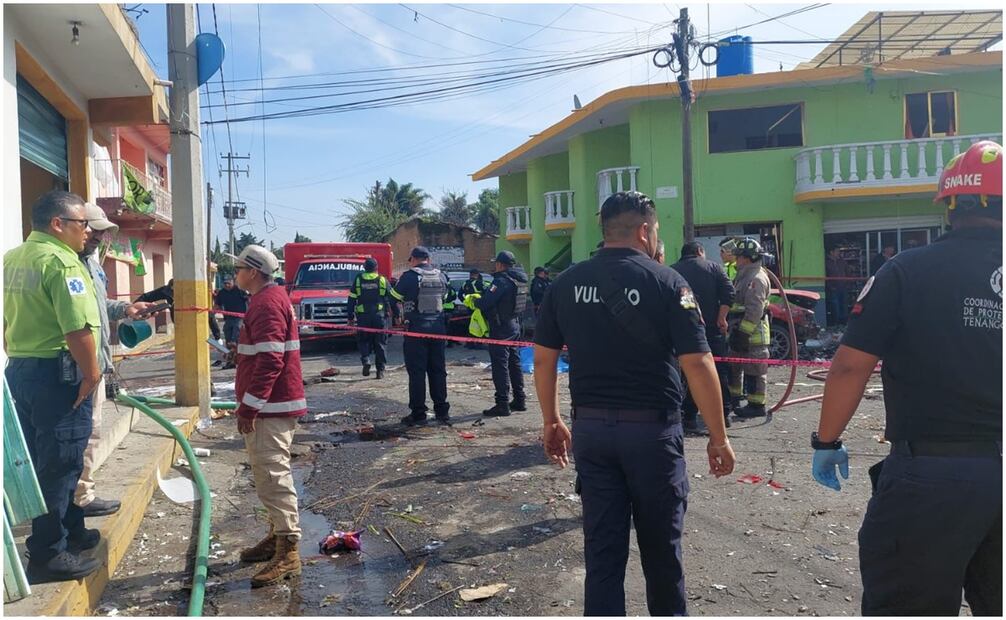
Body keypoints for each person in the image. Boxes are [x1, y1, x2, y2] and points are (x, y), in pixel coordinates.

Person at [812, 140, 1003, 616]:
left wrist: (826, 440)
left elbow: (851, 366)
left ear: (949, 205)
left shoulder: (905, 271)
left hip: (932, 478)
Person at [534, 191, 736, 616]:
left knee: (602, 555)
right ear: (645, 230)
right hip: (652, 435)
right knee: (662, 555)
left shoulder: (564, 284)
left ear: (606, 229)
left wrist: (551, 420)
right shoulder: (668, 283)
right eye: (656, 229)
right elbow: (698, 364)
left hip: (591, 433)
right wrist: (718, 437)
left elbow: (543, 359)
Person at [4, 191, 103, 583]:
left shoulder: (13, 258)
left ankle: (72, 528)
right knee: (61, 462)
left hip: (22, 368)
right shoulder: (61, 263)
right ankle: (48, 553)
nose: (87, 232)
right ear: (58, 224)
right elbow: (77, 329)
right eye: (82, 224)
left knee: (46, 456)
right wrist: (91, 375)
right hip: (57, 374)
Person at [228, 245, 306, 588]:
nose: (235, 274)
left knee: (273, 477)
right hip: (272, 405)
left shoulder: (266, 304)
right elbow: (265, 352)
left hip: (270, 408)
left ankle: (288, 551)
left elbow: (272, 360)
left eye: (239, 269)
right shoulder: (268, 299)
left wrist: (249, 407)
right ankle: (277, 537)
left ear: (253, 272)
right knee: (268, 476)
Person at [74, 203, 156, 517]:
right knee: (80, 434)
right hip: (77, 368)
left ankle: (81, 494)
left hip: (95, 365)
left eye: (102, 232)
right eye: (93, 230)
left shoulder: (92, 266)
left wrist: (126, 309)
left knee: (91, 431)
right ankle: (77, 500)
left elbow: (100, 305)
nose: (97, 237)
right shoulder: (65, 266)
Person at [672, 242, 736, 433]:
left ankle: (689, 416)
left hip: (685, 331)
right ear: (700, 251)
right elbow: (729, 293)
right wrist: (722, 318)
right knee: (719, 371)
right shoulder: (714, 268)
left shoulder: (673, 271)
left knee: (689, 373)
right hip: (712, 329)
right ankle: (724, 415)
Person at [390, 247, 453, 426]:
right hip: (438, 330)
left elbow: (393, 297)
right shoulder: (442, 276)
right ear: (428, 259)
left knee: (417, 372)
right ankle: (442, 410)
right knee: (438, 370)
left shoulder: (409, 277)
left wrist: (400, 311)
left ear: (413, 259)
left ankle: (418, 413)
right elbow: (447, 297)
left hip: (416, 331)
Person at [475, 251, 529, 417]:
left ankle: (502, 403)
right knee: (514, 363)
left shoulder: (501, 281)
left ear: (500, 264)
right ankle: (519, 399)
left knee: (500, 365)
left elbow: (485, 302)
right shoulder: (519, 279)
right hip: (515, 325)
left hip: (501, 328)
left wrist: (475, 300)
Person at [727, 238, 772, 419]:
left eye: (738, 256)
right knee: (734, 368)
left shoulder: (756, 279)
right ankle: (734, 399)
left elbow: (754, 310)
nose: (736, 260)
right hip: (739, 333)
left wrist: (743, 333)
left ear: (747, 258)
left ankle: (756, 405)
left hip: (752, 335)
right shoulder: (743, 276)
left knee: (754, 372)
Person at [346, 257, 390, 379]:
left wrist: (350, 317)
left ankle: (366, 360)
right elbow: (391, 297)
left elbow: (351, 299)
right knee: (380, 343)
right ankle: (380, 371)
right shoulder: (382, 279)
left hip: (363, 317)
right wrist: (397, 315)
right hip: (379, 316)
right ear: (376, 267)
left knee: (363, 340)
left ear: (364, 268)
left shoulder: (358, 279)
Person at [214, 275, 249, 347]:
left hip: (240, 316)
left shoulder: (240, 290)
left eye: (229, 283)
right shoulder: (221, 293)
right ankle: (229, 348)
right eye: (225, 283)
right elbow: (217, 304)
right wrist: (214, 311)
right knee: (226, 330)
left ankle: (235, 345)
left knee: (237, 328)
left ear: (233, 282)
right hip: (229, 317)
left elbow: (249, 299)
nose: (227, 285)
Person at [825, 245, 850, 325]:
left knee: (844, 305)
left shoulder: (842, 261)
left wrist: (847, 283)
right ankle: (836, 323)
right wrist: (830, 287)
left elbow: (848, 272)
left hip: (843, 287)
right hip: (833, 289)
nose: (839, 253)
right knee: (835, 306)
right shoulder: (826, 262)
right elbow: (825, 275)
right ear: (831, 252)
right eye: (837, 251)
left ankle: (844, 322)